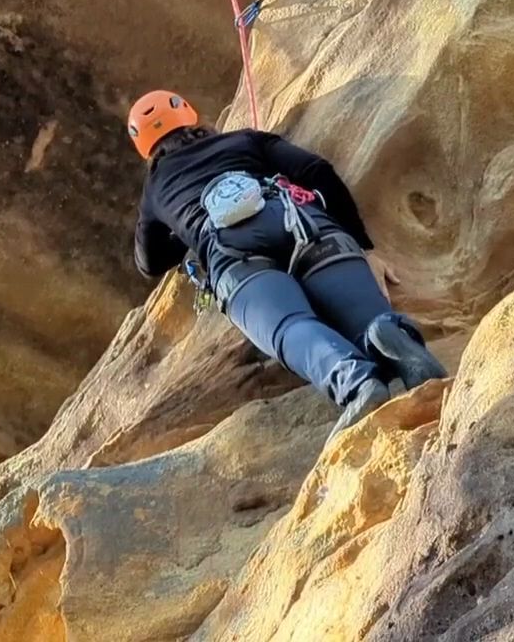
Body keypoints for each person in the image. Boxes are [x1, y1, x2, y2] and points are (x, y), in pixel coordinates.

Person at [127, 89, 447, 439]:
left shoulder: (156, 187)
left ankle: (354, 379)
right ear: (190, 116)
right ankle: (383, 333)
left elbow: (149, 261)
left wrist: (183, 226)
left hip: (232, 253)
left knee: (289, 325)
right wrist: (365, 247)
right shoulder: (244, 139)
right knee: (358, 309)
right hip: (299, 221)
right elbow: (316, 170)